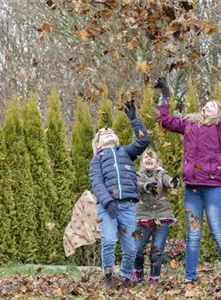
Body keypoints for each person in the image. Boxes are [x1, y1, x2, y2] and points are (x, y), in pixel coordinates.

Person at [154, 68, 221, 285]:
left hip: (213, 188)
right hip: (192, 190)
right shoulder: (188, 125)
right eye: (207, 104)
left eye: (213, 106)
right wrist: (165, 94)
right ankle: (189, 278)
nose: (207, 106)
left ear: (217, 114)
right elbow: (165, 120)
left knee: (218, 231)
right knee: (193, 234)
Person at [89, 99, 150, 289]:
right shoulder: (97, 160)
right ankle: (108, 276)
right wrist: (108, 203)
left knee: (131, 248)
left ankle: (124, 278)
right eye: (103, 133)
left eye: (111, 131)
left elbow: (143, 140)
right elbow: (97, 184)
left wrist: (134, 120)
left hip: (129, 206)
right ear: (97, 143)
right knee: (108, 240)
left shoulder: (125, 152)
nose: (108, 133)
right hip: (108, 207)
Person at [131, 148, 178, 285]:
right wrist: (146, 186)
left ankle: (154, 278)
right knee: (137, 248)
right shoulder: (137, 175)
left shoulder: (161, 174)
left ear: (157, 163)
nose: (149, 159)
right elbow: (136, 185)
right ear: (141, 163)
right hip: (142, 219)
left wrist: (172, 183)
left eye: (152, 158)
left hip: (162, 218)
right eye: (146, 157)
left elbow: (168, 181)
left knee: (156, 250)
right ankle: (138, 271)